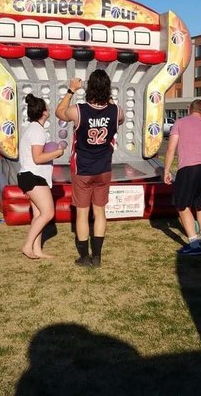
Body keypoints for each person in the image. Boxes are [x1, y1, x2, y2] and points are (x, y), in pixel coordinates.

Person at [55, 70, 124, 268]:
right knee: (100, 212)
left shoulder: (78, 110)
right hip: (104, 168)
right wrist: (107, 100)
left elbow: (59, 112)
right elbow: (120, 120)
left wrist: (71, 90)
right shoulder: (116, 110)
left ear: (89, 88)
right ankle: (98, 257)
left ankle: (85, 257)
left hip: (83, 168)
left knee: (83, 214)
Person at [164, 99, 201, 256]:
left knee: (182, 205)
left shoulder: (180, 123)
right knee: (200, 203)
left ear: (189, 109)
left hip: (189, 167)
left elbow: (171, 148)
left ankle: (194, 244)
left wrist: (166, 170)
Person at [18, 93, 64, 259]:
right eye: (47, 106)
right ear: (43, 112)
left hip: (28, 176)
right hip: (34, 176)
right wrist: (57, 153)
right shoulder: (37, 131)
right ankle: (27, 246)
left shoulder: (33, 128)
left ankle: (37, 250)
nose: (49, 109)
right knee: (48, 213)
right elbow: (37, 158)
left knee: (38, 215)